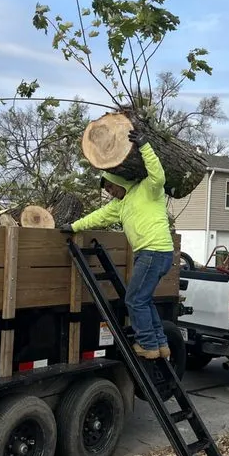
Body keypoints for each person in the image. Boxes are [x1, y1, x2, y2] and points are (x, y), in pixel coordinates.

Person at [62, 128, 174, 360]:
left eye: (112, 187)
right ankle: (160, 344)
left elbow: (158, 176)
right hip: (150, 254)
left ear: (120, 181)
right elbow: (98, 216)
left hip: (155, 252)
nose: (111, 193)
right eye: (108, 191)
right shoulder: (119, 205)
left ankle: (148, 346)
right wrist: (73, 227)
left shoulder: (147, 190)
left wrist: (144, 146)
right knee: (144, 299)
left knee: (134, 299)